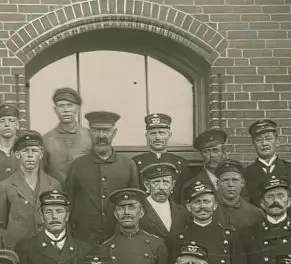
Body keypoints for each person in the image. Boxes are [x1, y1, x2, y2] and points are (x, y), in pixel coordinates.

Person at [168, 181, 246, 264]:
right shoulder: (178, 239)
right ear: (188, 206)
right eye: (197, 202)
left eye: (206, 202)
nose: (202, 207)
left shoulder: (229, 236)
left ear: (215, 206)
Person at [64, 110, 138, 243]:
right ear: (89, 132)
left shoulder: (128, 165)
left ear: (114, 132)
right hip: (84, 240)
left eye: (107, 130)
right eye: (96, 130)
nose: (101, 135)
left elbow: (136, 205)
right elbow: (68, 205)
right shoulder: (77, 165)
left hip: (119, 238)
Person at [16, 189, 91, 264]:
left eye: (59, 211)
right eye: (48, 212)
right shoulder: (26, 248)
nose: (54, 217)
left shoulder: (83, 249)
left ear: (67, 216)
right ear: (41, 216)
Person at [99, 187, 169, 264]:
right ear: (115, 214)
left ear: (141, 213)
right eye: (121, 208)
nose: (126, 212)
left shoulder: (156, 244)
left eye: (131, 207)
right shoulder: (105, 248)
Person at [0, 130, 60, 246]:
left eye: (34, 151)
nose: (30, 155)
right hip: (17, 249)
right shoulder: (5, 186)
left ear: (41, 154)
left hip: (47, 248)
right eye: (25, 151)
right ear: (17, 155)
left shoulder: (53, 184)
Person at [131, 113, 193, 197]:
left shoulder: (181, 163)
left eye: (162, 133)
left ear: (169, 135)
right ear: (147, 136)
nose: (157, 137)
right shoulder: (135, 162)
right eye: (153, 133)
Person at [42, 86, 94, 185]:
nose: (66, 110)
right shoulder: (46, 140)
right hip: (56, 195)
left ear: (77, 109)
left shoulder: (89, 136)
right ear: (55, 110)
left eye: (70, 105)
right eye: (61, 106)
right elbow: (42, 172)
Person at [138, 161, 187, 240]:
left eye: (166, 182)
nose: (161, 187)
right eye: (156, 182)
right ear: (147, 185)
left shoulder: (181, 210)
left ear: (172, 185)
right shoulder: (139, 210)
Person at [243, 119, 288, 203]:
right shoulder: (246, 173)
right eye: (259, 140)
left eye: (269, 139)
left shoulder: (290, 169)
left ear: (277, 142)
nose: (264, 143)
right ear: (254, 144)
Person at [214, 160, 265, 232]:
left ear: (242, 183)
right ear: (217, 184)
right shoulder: (207, 210)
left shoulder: (255, 213)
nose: (230, 184)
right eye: (225, 180)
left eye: (235, 180)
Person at [180, 127, 230, 200]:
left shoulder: (234, 181)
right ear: (201, 155)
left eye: (215, 150)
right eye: (206, 151)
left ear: (224, 153)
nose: (211, 155)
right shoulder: (190, 185)